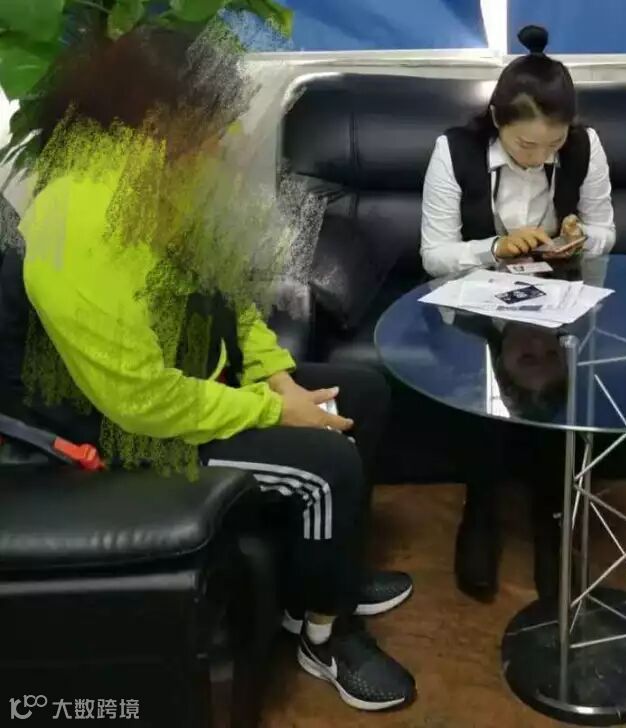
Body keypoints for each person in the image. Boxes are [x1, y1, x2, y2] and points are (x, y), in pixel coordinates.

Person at [0, 27, 416, 712]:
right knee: (328, 465)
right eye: (212, 124)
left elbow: (229, 297)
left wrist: (280, 379)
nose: (224, 140)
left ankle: (322, 577)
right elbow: (140, 401)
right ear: (157, 121)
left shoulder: (163, 178)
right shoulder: (75, 225)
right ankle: (325, 636)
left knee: (362, 394)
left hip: (197, 382)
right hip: (129, 428)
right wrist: (277, 411)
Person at [419, 25, 616, 600]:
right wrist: (494, 248)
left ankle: (553, 515)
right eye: (526, 145)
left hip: (559, 297)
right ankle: (481, 509)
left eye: (553, 145)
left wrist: (582, 238)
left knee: (561, 373)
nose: (540, 158)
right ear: (497, 121)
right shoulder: (454, 151)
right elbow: (434, 255)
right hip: (475, 299)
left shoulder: (585, 147)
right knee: (482, 372)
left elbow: (607, 229)